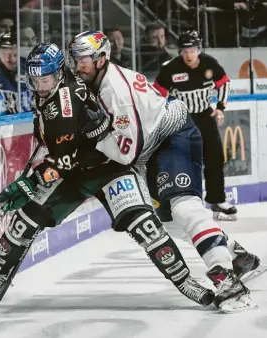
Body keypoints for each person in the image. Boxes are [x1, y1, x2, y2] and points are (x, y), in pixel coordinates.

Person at [0, 42, 215, 308]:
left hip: (109, 167)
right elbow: (58, 149)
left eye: (46, 79)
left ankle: (185, 281)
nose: (41, 86)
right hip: (77, 169)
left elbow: (61, 161)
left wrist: (28, 183)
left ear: (59, 73)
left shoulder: (66, 102)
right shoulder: (54, 89)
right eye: (36, 80)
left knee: (144, 225)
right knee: (26, 219)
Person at [68, 30, 257, 313]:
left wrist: (96, 135)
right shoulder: (96, 80)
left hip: (173, 135)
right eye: (76, 59)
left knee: (184, 208)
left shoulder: (114, 92)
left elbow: (125, 152)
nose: (78, 66)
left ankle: (226, 277)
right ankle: (238, 256)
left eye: (83, 60)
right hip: (152, 146)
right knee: (167, 222)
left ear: (102, 58)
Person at [152, 30, 238, 221]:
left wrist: (221, 107)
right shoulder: (171, 69)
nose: (189, 55)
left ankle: (217, 200)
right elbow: (156, 94)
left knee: (214, 159)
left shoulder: (209, 64)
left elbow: (224, 82)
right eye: (185, 51)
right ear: (180, 51)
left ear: (199, 49)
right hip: (182, 121)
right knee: (183, 163)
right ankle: (182, 206)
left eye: (193, 50)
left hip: (206, 117)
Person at [0, 29, 32, 115]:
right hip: (3, 120)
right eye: (5, 54)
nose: (10, 60)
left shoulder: (29, 67)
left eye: (15, 55)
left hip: (27, 121)